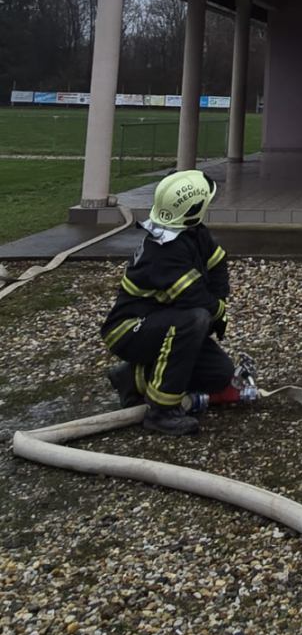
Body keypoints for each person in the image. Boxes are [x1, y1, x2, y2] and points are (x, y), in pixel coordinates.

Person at [100, 169, 235, 436]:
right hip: (129, 330)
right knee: (196, 318)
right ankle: (161, 412)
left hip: (164, 322)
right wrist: (219, 312)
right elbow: (194, 298)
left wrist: (219, 299)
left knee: (220, 374)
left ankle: (132, 378)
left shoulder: (192, 232)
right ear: (194, 209)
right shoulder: (164, 251)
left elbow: (217, 262)